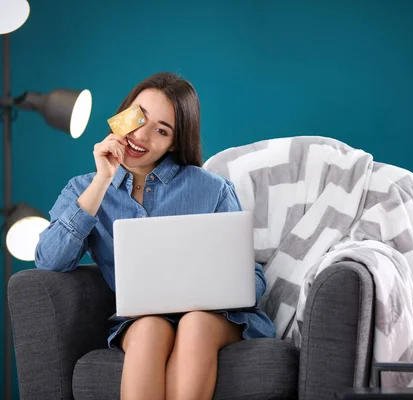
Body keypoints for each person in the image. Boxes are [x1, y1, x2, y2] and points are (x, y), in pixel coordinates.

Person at [34, 72, 276, 400]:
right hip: (142, 319)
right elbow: (49, 261)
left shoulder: (212, 189)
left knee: (195, 323)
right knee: (148, 327)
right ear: (122, 115)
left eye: (161, 130)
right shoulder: (83, 189)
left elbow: (252, 277)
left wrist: (225, 288)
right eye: (138, 117)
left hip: (217, 318)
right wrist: (103, 181)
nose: (141, 136)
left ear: (174, 142)